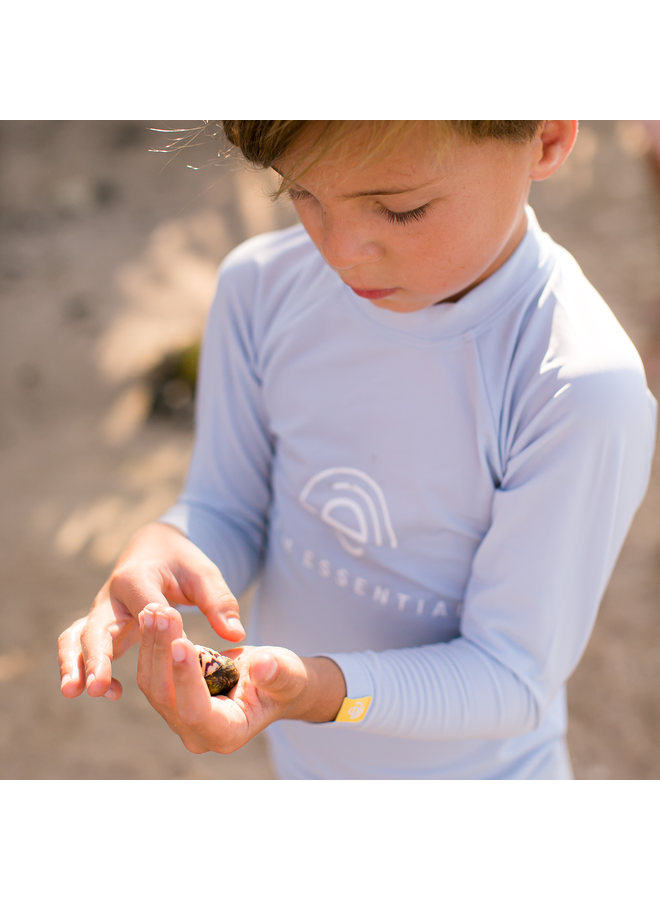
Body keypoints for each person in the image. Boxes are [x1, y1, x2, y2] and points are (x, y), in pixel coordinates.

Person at [58, 120, 657, 779]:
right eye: (301, 191)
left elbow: (510, 675)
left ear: (544, 139)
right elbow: (229, 506)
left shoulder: (575, 388)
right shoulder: (261, 290)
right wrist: (168, 555)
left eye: (401, 209)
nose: (339, 251)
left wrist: (319, 691)